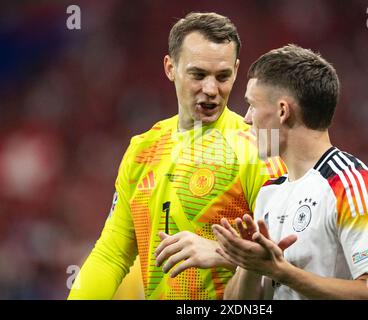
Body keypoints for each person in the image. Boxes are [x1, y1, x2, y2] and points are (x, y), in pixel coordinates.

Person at [67, 12, 285, 300]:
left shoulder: (260, 150)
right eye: (198, 74)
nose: (210, 90)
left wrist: (222, 253)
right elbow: (111, 255)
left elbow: (289, 257)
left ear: (236, 70)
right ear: (170, 67)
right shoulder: (143, 149)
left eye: (223, 76)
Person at [212, 44, 368, 300]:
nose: (246, 118)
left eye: (252, 105)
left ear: (282, 111)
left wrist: (283, 272)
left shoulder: (353, 184)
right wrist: (249, 264)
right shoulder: (269, 193)